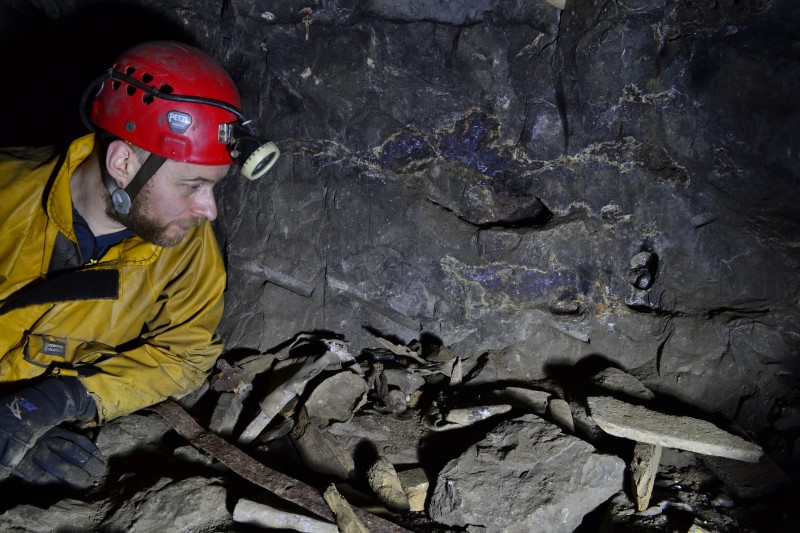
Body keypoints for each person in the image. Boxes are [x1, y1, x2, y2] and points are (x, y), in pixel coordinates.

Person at [0, 41, 279, 489]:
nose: (208, 210)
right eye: (192, 185)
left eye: (213, 187)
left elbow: (184, 355)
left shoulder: (186, 245)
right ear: (124, 162)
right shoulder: (8, 198)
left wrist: (64, 398)